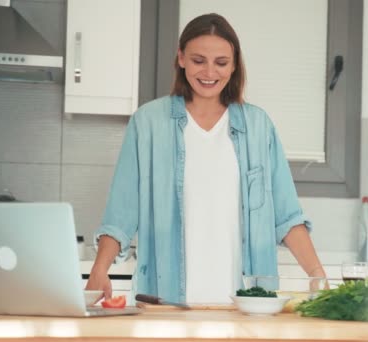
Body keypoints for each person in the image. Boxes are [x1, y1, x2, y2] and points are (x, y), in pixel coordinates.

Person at [85, 13, 326, 305]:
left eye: (221, 63)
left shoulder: (258, 126)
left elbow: (287, 218)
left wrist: (317, 274)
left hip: (247, 306)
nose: (209, 72)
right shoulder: (148, 123)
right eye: (199, 60)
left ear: (235, 64)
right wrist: (99, 270)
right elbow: (121, 214)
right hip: (167, 303)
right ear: (181, 58)